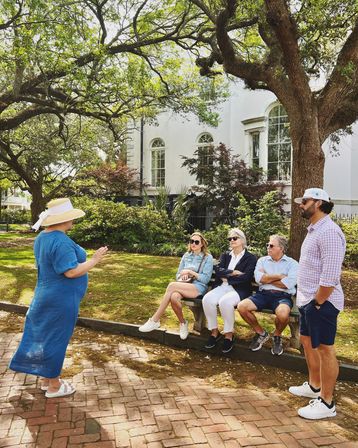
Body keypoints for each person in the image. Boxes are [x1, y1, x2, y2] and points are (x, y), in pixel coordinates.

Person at [9, 198, 108, 398]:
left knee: (46, 338)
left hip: (45, 296)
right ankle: (54, 385)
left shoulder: (43, 238)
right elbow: (70, 272)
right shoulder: (60, 240)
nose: (73, 220)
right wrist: (95, 260)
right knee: (56, 339)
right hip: (59, 300)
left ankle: (47, 380)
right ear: (65, 219)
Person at [289, 188, 346, 420]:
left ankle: (327, 401)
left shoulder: (330, 232)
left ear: (319, 203)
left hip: (322, 303)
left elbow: (330, 276)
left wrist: (318, 302)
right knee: (307, 342)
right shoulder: (314, 229)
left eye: (305, 201)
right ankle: (314, 385)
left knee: (324, 349)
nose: (301, 205)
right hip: (308, 300)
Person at [139, 232, 213, 340]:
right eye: (191, 241)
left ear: (202, 244)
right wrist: (182, 276)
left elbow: (206, 279)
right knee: (174, 297)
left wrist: (191, 273)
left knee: (171, 286)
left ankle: (154, 320)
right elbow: (178, 274)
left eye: (196, 242)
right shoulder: (186, 255)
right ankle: (183, 323)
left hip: (198, 287)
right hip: (184, 285)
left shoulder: (207, 258)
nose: (193, 244)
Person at [238, 234, 298, 355]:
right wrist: (279, 277)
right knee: (242, 307)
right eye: (267, 245)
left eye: (271, 245)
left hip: (282, 296)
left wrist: (267, 278)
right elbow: (258, 279)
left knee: (283, 315)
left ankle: (277, 335)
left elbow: (288, 284)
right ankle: (261, 333)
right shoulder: (262, 260)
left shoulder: (292, 264)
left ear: (281, 248)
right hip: (262, 294)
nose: (268, 247)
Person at [202, 228, 256, 353]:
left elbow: (246, 277)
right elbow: (218, 270)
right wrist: (232, 273)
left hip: (239, 290)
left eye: (234, 238)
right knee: (207, 300)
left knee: (225, 302)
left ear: (242, 240)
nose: (231, 240)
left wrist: (226, 276)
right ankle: (214, 332)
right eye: (230, 239)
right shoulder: (226, 255)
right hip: (222, 286)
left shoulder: (250, 258)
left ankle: (229, 335)